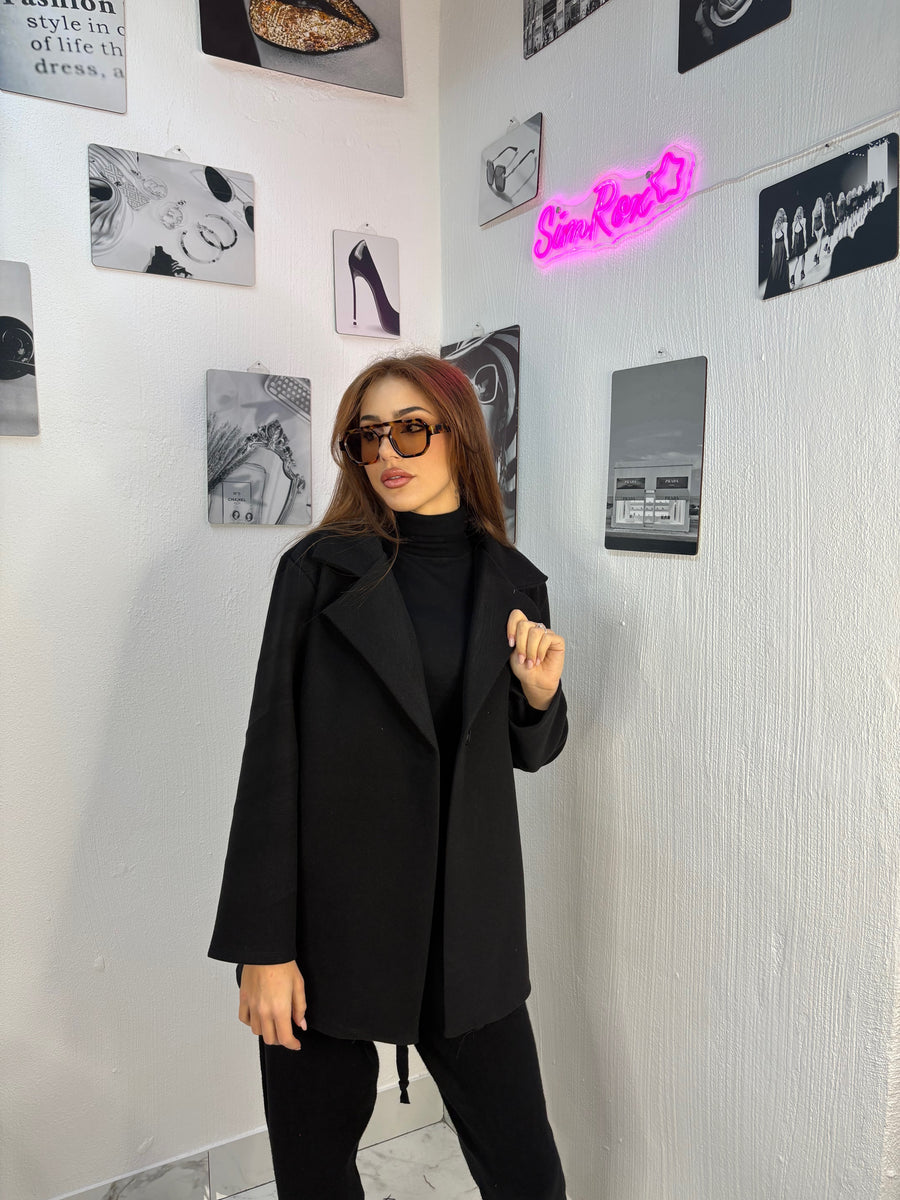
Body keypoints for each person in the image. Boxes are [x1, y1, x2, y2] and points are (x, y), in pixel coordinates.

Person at [208, 353, 569, 1199]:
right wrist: (263, 948)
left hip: (466, 930)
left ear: (460, 437)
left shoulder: (516, 584)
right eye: (367, 436)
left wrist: (540, 698)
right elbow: (271, 757)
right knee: (316, 1179)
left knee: (529, 1176)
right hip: (328, 926)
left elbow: (529, 752)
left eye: (410, 429)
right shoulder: (318, 570)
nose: (386, 453)